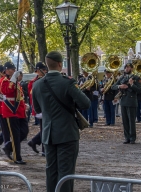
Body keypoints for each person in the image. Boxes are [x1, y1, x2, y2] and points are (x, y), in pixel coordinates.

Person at [32, 51, 90, 192]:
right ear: (59, 64)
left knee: (51, 171)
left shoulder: (37, 85)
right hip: (66, 134)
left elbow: (38, 109)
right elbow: (85, 103)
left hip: (48, 134)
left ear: (47, 65)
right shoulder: (68, 82)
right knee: (66, 172)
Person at [0, 61, 28, 164]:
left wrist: (24, 105)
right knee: (15, 135)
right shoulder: (5, 81)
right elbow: (7, 91)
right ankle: (17, 157)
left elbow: (19, 96)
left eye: (14, 69)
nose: (13, 70)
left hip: (19, 110)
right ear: (6, 70)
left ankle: (8, 146)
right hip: (10, 109)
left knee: (24, 131)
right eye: (11, 69)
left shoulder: (16, 82)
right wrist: (13, 79)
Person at [111, 62, 141, 144]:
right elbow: (113, 86)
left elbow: (139, 90)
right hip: (123, 101)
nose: (126, 69)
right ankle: (127, 137)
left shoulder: (136, 77)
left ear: (132, 68)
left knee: (131, 121)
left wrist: (131, 84)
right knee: (125, 121)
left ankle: (132, 138)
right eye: (126, 67)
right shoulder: (122, 77)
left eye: (128, 67)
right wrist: (119, 86)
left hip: (131, 101)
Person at [27, 61, 47, 155]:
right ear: (38, 71)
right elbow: (32, 98)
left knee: (46, 128)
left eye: (45, 69)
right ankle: (44, 149)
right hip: (41, 109)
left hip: (48, 108)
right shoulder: (33, 82)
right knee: (44, 129)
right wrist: (37, 110)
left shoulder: (46, 79)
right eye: (43, 70)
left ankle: (34, 142)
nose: (45, 71)